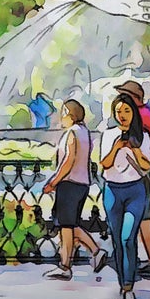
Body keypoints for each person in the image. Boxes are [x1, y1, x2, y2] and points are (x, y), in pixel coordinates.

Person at [98, 91, 150, 299]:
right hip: (113, 190)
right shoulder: (109, 134)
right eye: (119, 111)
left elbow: (146, 166)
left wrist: (135, 148)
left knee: (127, 237)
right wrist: (117, 147)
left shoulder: (143, 136)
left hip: (135, 191)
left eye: (127, 111)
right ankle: (123, 283)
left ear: (133, 114)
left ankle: (129, 287)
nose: (122, 116)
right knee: (117, 241)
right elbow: (105, 163)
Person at [41, 98, 101, 279]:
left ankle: (78, 259)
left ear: (68, 114)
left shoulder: (71, 133)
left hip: (69, 183)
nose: (61, 118)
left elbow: (68, 161)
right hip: (82, 183)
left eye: (63, 114)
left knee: (66, 226)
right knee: (69, 226)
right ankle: (76, 260)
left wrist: (54, 181)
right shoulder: (84, 132)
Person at [114, 78, 150, 279]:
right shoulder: (148, 115)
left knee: (143, 214)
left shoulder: (141, 118)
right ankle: (142, 259)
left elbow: (141, 149)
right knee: (143, 214)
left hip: (144, 169)